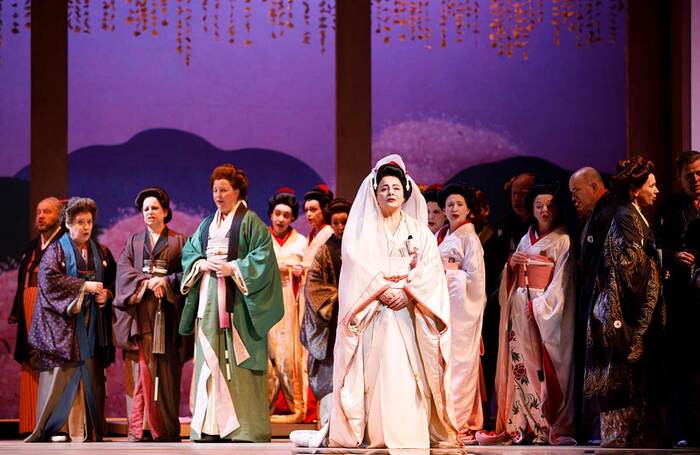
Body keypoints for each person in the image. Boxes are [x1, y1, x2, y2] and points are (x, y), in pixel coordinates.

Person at [328, 155, 457, 449]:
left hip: (409, 309)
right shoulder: (363, 230)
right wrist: (381, 289)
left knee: (409, 371)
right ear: (375, 192)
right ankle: (377, 433)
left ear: (405, 192)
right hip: (375, 307)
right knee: (377, 369)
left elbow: (430, 268)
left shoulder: (419, 229)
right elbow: (356, 264)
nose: (390, 192)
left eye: (396, 187)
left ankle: (412, 433)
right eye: (384, 187)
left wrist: (408, 292)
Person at [179, 163, 284, 442]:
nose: (218, 195)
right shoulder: (206, 224)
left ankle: (244, 428)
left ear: (237, 191)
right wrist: (200, 263)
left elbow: (264, 258)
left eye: (224, 189)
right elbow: (190, 251)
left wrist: (234, 268)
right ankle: (210, 427)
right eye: (215, 190)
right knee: (209, 358)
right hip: (208, 296)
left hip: (238, 301)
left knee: (238, 362)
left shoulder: (251, 222)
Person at [585, 156, 666, 448]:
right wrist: (658, 263)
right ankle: (618, 438)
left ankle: (632, 436)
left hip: (629, 308)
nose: (656, 191)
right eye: (651, 185)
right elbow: (628, 264)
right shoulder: (625, 216)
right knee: (619, 373)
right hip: (619, 310)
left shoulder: (633, 215)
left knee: (632, 377)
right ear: (635, 189)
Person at [486, 184, 576, 446]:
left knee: (539, 368)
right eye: (539, 206)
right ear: (532, 210)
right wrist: (511, 265)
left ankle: (545, 424)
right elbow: (511, 276)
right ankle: (520, 424)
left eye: (550, 205)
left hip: (541, 312)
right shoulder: (526, 239)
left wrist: (539, 306)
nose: (544, 210)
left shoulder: (563, 241)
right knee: (519, 367)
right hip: (519, 308)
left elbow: (563, 284)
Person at [26, 197, 116, 442]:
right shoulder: (55, 252)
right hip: (65, 326)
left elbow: (112, 283)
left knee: (91, 375)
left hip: (91, 326)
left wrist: (106, 295)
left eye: (89, 222)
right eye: (79, 222)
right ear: (67, 223)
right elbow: (49, 281)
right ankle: (57, 428)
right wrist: (84, 286)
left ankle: (89, 428)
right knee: (61, 376)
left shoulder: (101, 253)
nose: (86, 227)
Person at [113, 187, 192, 442]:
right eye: (145, 209)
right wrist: (148, 282)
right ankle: (141, 428)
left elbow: (189, 273)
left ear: (165, 212)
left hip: (168, 318)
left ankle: (164, 429)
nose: (149, 212)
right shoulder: (133, 242)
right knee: (141, 372)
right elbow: (124, 272)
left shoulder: (180, 241)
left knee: (167, 374)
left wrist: (166, 282)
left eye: (155, 208)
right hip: (142, 318)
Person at [291, 198, 352, 448]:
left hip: (359, 320)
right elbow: (314, 285)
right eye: (336, 222)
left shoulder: (362, 247)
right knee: (329, 377)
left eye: (344, 222)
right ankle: (329, 430)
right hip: (332, 324)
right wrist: (340, 298)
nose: (340, 227)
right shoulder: (325, 250)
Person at [653, 150, 700, 448]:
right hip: (683, 301)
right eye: (689, 175)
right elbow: (654, 249)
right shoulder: (668, 210)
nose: (695, 180)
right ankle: (683, 431)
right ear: (679, 178)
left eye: (699, 173)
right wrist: (672, 257)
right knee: (682, 368)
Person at [568, 166, 619, 443]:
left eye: (576, 192)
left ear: (594, 187)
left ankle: (605, 429)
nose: (574, 199)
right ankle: (598, 429)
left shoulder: (610, 213)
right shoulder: (596, 214)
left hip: (604, 305)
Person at [435, 184, 487, 445]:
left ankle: (459, 422)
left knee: (459, 366)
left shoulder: (470, 238)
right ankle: (444, 421)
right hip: (441, 310)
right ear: (443, 209)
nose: (454, 208)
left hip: (460, 313)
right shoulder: (442, 235)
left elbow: (476, 283)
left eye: (459, 204)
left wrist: (450, 272)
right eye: (450, 204)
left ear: (468, 209)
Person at [9, 197, 63, 435]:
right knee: (29, 361)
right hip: (30, 307)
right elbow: (23, 281)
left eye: (47, 212)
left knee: (50, 364)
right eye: (38, 212)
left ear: (59, 217)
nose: (40, 216)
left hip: (50, 311)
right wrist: (16, 310)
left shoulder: (64, 244)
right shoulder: (32, 246)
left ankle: (51, 425)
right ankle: (30, 424)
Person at [266, 188, 308, 423]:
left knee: (289, 354)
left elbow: (306, 271)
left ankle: (296, 406)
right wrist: (275, 269)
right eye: (277, 214)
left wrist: (295, 271)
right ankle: (266, 408)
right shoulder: (262, 240)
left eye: (287, 215)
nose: (281, 219)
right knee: (268, 354)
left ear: (292, 218)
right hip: (266, 303)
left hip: (291, 304)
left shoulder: (301, 242)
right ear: (271, 215)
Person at [302, 184, 334, 268]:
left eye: (313, 210)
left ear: (324, 210)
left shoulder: (330, 233)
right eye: (306, 210)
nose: (308, 214)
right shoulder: (312, 234)